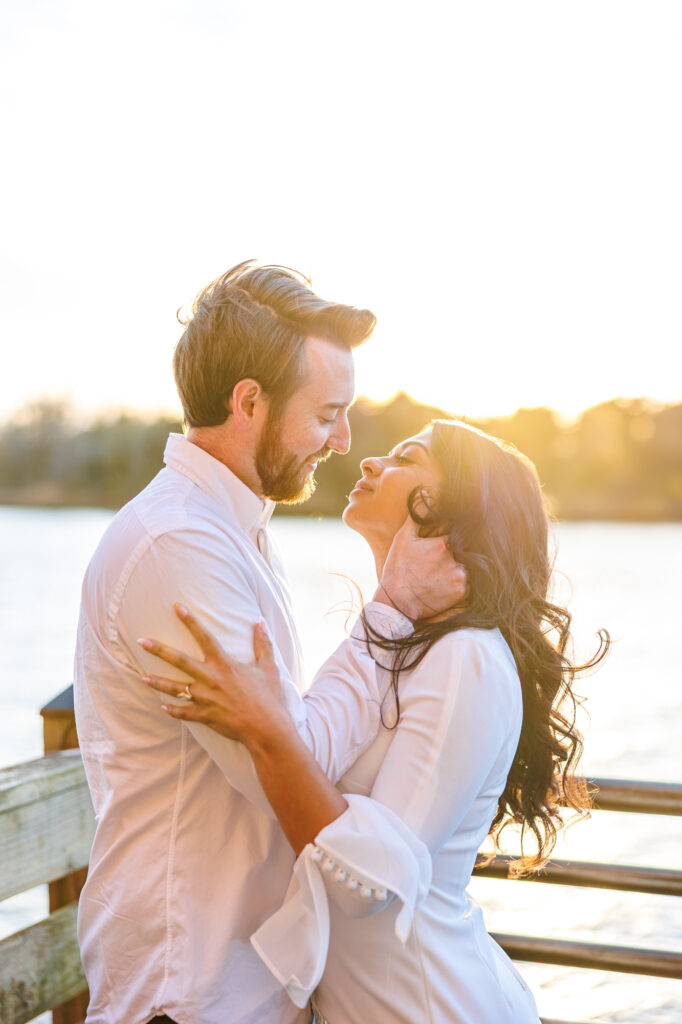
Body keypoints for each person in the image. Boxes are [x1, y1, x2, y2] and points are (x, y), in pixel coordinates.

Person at [74, 261, 465, 1024]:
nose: (344, 440)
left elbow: (287, 735)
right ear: (249, 401)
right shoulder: (177, 547)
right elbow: (291, 763)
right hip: (189, 993)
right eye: (326, 414)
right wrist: (394, 604)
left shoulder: (229, 528)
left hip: (237, 986)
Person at [141, 419, 609, 1024]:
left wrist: (265, 731)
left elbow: (367, 883)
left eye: (403, 458)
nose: (368, 463)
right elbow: (321, 755)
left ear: (450, 509)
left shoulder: (466, 658)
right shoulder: (405, 641)